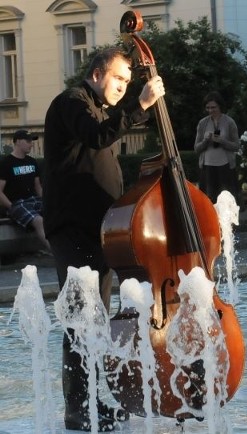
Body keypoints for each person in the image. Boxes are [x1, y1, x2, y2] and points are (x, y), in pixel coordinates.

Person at [43, 46, 165, 431]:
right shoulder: (72, 102)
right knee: (81, 318)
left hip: (101, 229)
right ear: (97, 74)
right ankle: (77, 411)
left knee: (96, 319)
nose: (124, 87)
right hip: (73, 228)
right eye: (119, 79)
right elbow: (96, 137)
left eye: (128, 82)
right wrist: (140, 106)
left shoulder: (100, 110)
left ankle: (93, 400)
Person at [0, 130, 50, 252]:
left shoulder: (32, 162)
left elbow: (37, 186)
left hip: (33, 200)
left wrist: (48, 203)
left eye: (31, 141)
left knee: (57, 213)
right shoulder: (6, 163)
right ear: (17, 142)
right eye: (28, 141)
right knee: (39, 221)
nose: (31, 144)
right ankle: (57, 254)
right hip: (16, 203)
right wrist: (10, 206)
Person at [194, 91, 240, 204]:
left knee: (227, 201)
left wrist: (222, 141)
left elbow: (236, 146)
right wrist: (206, 140)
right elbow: (196, 148)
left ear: (219, 106)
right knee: (209, 201)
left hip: (225, 167)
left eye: (213, 107)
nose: (210, 110)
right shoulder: (202, 123)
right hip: (208, 168)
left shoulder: (229, 122)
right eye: (208, 108)